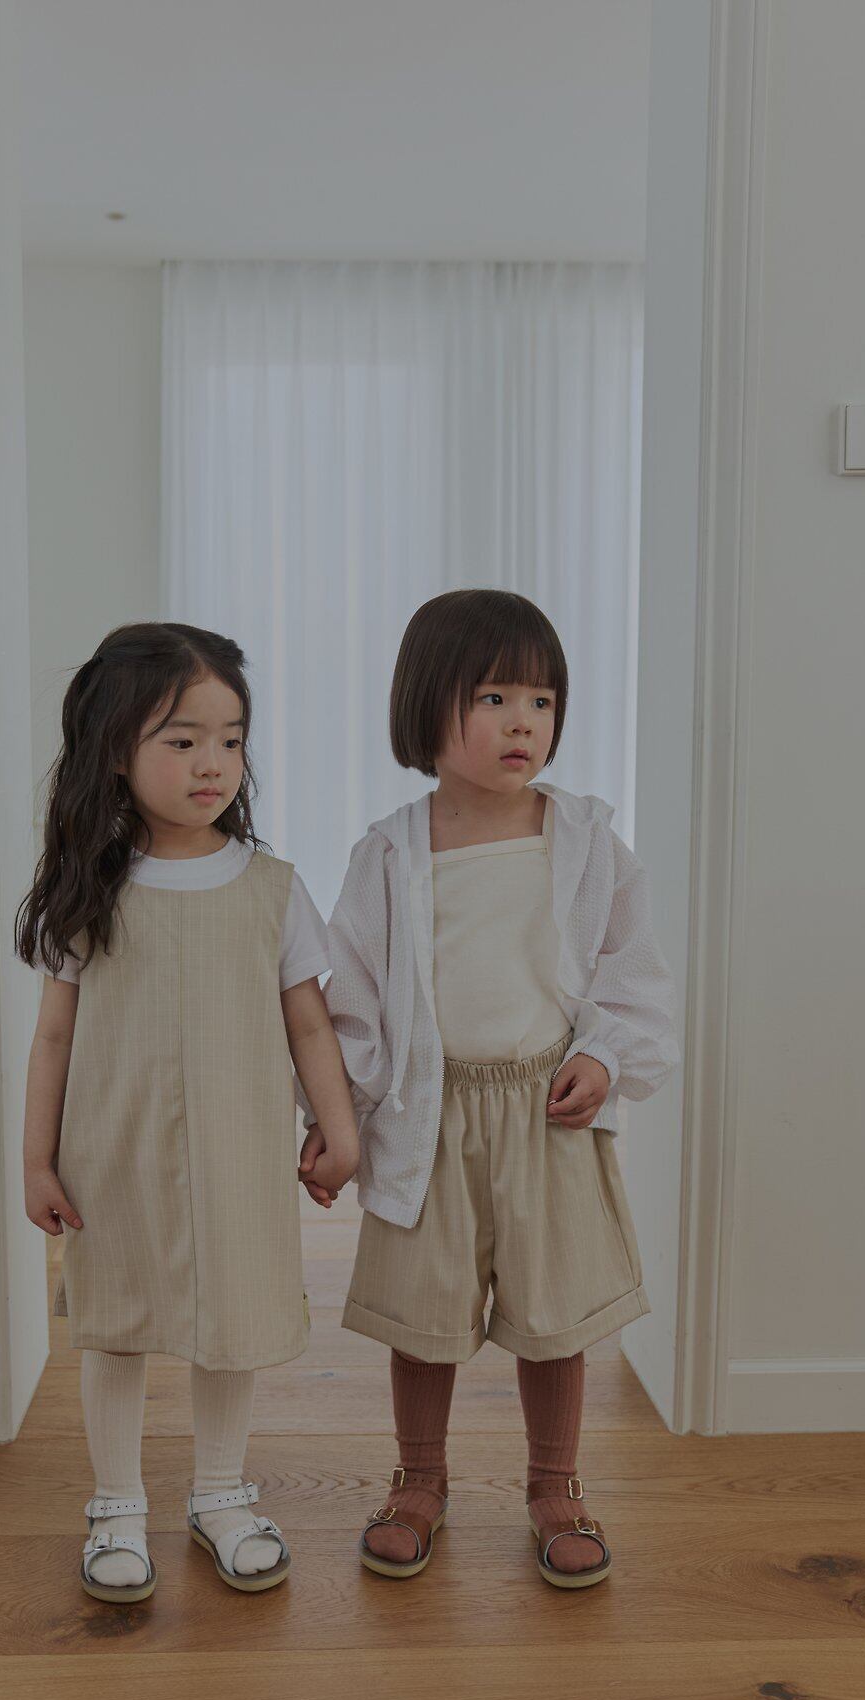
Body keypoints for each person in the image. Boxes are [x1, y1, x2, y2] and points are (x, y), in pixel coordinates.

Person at [297, 588, 680, 1588]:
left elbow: (629, 969)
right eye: (495, 698)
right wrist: (336, 1121)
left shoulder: (585, 840)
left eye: (542, 702)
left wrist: (603, 1056)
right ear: (426, 705)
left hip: (545, 1112)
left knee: (555, 1315)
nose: (523, 723)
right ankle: (418, 1480)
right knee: (422, 1315)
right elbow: (353, 1003)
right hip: (428, 1113)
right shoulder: (390, 853)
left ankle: (555, 1484)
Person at [17, 622, 358, 1603]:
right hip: (113, 1153)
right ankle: (116, 1504)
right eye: (182, 739)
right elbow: (54, 1038)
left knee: (233, 1319)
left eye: (231, 739)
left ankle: (221, 1493)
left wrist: (337, 1126)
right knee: (116, 1324)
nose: (213, 762)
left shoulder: (271, 888)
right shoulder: (91, 890)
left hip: (239, 1152)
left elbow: (308, 1023)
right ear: (114, 752)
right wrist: (36, 1159)